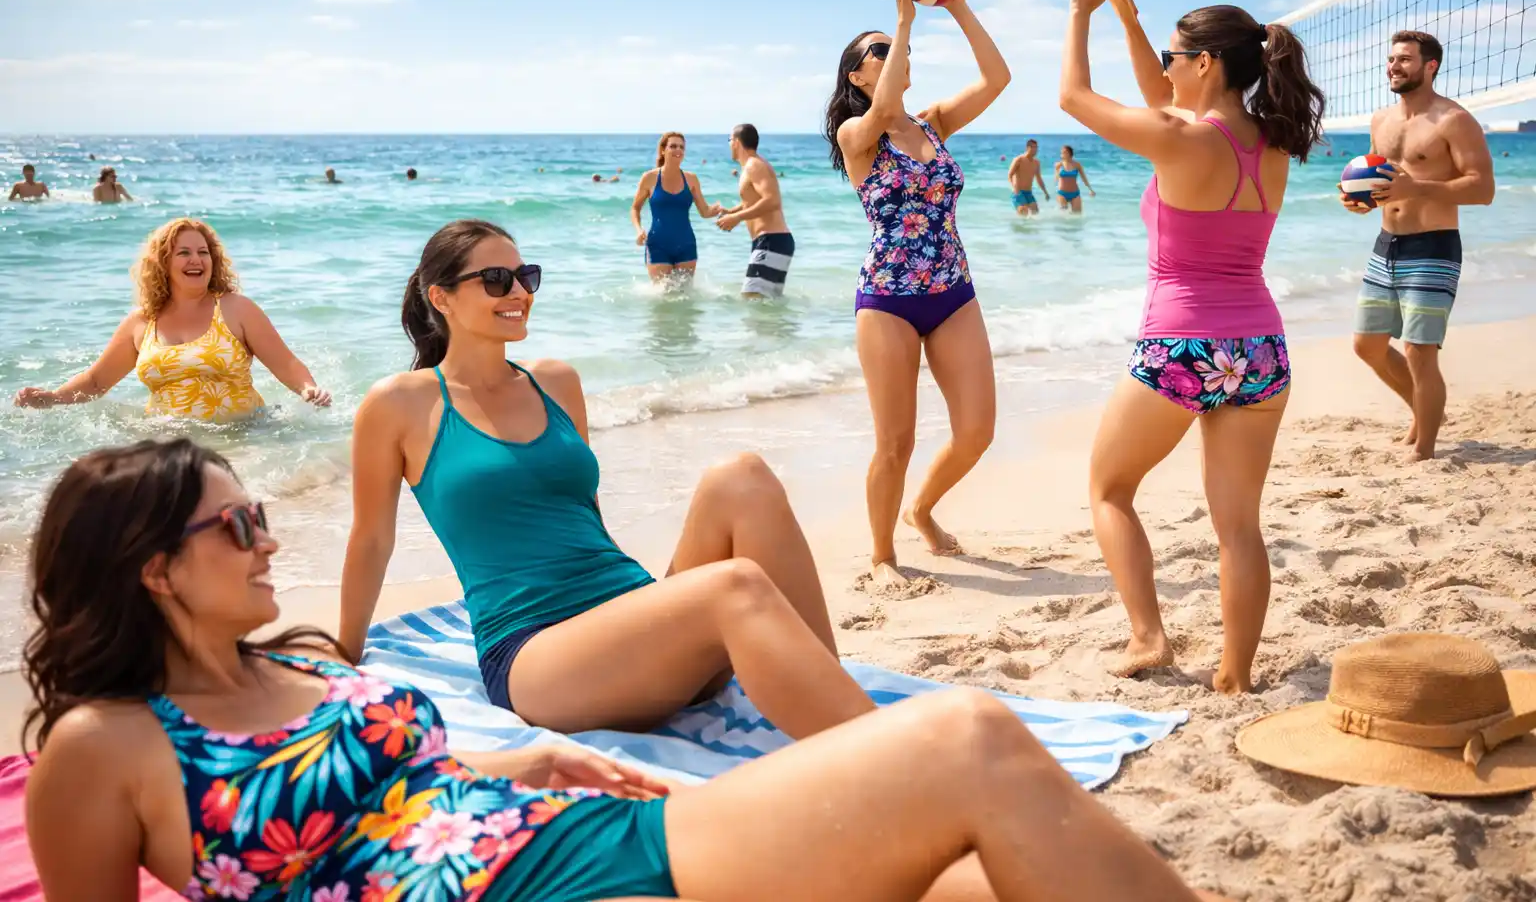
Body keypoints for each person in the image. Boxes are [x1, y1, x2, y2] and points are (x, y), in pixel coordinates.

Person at [24, 438, 1224, 902]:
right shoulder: (112, 744)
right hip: (491, 892)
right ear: (149, 570)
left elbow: (384, 781)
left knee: (972, 864)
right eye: (236, 528)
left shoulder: (290, 659)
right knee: (969, 743)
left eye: (261, 513)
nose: (270, 537)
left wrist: (515, 753)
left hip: (538, 832)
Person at [344, 219, 866, 737]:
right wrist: (341, 654)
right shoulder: (399, 404)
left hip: (634, 630)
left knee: (742, 476)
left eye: (526, 277)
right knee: (736, 585)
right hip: (536, 654)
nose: (519, 292)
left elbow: (582, 514)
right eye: (496, 280)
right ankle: (875, 749)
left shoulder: (555, 381)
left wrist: (651, 607)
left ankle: (834, 694)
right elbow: (371, 540)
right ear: (442, 297)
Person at [1059, 0, 1324, 693]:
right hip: (1261, 350)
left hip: (1183, 345)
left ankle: (1150, 637)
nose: (1167, 69)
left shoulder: (1181, 141)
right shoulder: (1271, 141)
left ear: (1206, 64)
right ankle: (1235, 676)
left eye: (1179, 58)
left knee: (1109, 490)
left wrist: (1080, 11)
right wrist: (1130, 18)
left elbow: (1074, 97)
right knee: (1239, 526)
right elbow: (1161, 92)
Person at [824, 0, 1010, 585]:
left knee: (978, 430)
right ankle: (882, 555)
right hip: (888, 301)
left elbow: (998, 76)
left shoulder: (932, 122)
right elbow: (877, 113)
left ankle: (922, 509)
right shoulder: (860, 134)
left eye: (894, 44)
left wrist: (955, 6)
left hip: (953, 292)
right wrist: (903, 20)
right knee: (894, 442)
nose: (894, 49)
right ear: (858, 74)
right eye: (878, 51)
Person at [1339, 30, 1495, 461]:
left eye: (1405, 59)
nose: (1394, 66)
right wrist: (1359, 200)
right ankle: (1427, 412)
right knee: (1366, 345)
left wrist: (1417, 188)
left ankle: (1425, 448)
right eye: (1392, 59)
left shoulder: (1454, 120)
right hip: (1385, 245)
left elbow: (1482, 189)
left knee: (1419, 352)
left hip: (1434, 247)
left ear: (1431, 66)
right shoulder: (1380, 120)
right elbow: (1375, 176)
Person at [12, 217, 331, 420]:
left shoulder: (236, 309)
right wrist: (51, 398)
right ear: (163, 263)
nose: (196, 260)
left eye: (203, 252)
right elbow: (96, 382)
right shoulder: (141, 322)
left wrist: (308, 389)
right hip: (168, 444)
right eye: (184, 253)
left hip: (244, 439)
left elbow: (286, 363)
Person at [629, 132, 726, 283]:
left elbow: (704, 211)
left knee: (685, 296)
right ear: (663, 150)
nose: (678, 150)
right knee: (662, 297)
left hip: (686, 244)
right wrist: (638, 229)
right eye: (673, 146)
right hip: (658, 245)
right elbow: (635, 208)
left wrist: (720, 209)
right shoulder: (649, 178)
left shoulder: (691, 179)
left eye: (681, 147)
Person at [717, 123, 795, 298]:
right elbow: (754, 200)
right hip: (773, 241)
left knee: (752, 298)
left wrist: (737, 217)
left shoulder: (754, 165)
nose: (729, 144)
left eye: (729, 140)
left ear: (736, 142)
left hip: (771, 240)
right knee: (766, 303)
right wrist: (731, 212)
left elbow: (772, 200)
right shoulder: (751, 166)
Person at [1008, 140, 1050, 216]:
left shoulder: (1036, 163)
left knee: (1035, 212)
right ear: (1028, 148)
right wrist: (1014, 189)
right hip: (1018, 192)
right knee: (1024, 213)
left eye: (1037, 148)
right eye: (1034, 147)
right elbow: (1010, 175)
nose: (1036, 150)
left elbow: (1039, 179)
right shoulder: (1019, 160)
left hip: (1028, 193)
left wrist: (1045, 192)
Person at [1053, 146, 1094, 211]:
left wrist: (1090, 189)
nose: (1062, 154)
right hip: (1062, 194)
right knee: (1063, 216)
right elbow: (1055, 180)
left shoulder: (1077, 165)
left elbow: (1084, 178)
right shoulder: (1058, 165)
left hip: (1075, 194)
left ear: (1069, 153)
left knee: (1077, 217)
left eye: (1064, 152)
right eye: (1061, 153)